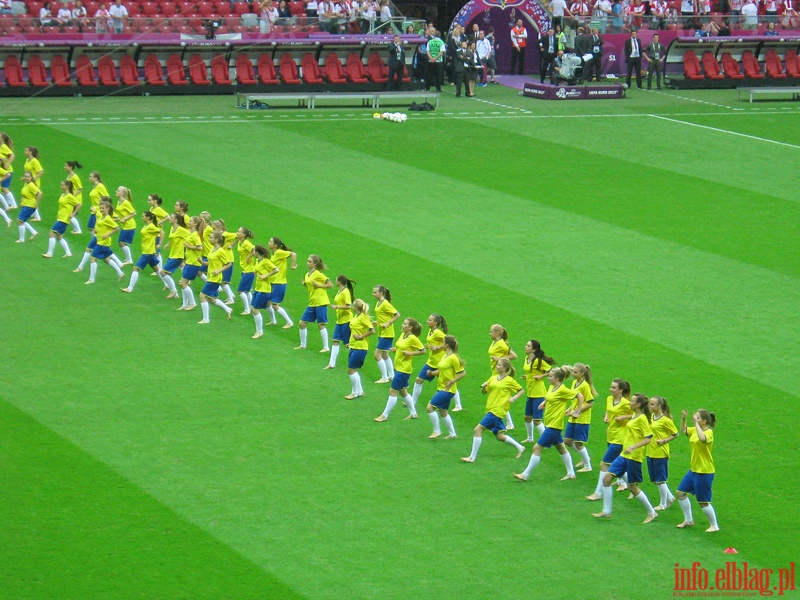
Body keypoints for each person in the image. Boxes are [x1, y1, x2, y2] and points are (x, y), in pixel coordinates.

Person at [591, 393, 658, 523]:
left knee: (633, 487)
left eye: (632, 401)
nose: (629, 403)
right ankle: (606, 511)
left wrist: (633, 447)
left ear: (638, 404)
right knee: (606, 479)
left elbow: (648, 438)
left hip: (634, 457)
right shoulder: (635, 415)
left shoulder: (642, 418)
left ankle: (652, 512)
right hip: (624, 455)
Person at [513, 366, 580, 482]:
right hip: (550, 423)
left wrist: (577, 411)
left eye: (550, 377)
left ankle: (525, 474)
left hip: (554, 425)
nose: (548, 378)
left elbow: (580, 396)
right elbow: (550, 396)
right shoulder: (552, 387)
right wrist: (544, 402)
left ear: (558, 378)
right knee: (560, 447)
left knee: (537, 448)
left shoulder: (563, 390)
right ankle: (571, 473)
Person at [461, 358, 526, 462]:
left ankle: (472, 457)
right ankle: (520, 447)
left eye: (499, 365)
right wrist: (484, 386)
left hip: (497, 411)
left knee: (477, 430)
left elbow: (521, 390)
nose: (496, 366)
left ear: (504, 368)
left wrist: (513, 398)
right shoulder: (493, 378)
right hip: (490, 408)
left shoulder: (509, 380)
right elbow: (484, 392)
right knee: (499, 436)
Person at [586, 379, 634, 501]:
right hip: (611, 434)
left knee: (604, 464)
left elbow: (637, 415)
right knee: (616, 464)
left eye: (613, 387)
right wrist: (607, 416)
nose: (610, 389)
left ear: (620, 390)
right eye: (611, 387)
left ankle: (598, 492)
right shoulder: (609, 399)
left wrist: (624, 417)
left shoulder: (625, 402)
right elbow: (609, 410)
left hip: (620, 438)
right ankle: (632, 486)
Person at [675, 408, 719, 532]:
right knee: (680, 493)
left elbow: (702, 439)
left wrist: (695, 424)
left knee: (703, 502)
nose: (695, 419)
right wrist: (684, 418)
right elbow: (684, 430)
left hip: (704, 471)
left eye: (698, 418)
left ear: (704, 422)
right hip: (693, 470)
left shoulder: (709, 432)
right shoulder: (695, 429)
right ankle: (688, 520)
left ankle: (714, 525)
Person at [374, 318, 425, 422]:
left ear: (410, 327)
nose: (402, 325)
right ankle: (413, 413)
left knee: (393, 391)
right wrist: (396, 350)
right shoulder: (403, 335)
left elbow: (423, 351)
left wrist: (411, 354)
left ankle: (385, 415)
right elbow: (402, 347)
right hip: (398, 367)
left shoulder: (413, 338)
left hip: (404, 369)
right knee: (403, 391)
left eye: (404, 324)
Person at [425, 335, 464, 440]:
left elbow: (462, 373)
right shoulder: (445, 355)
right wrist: (432, 373)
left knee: (430, 407)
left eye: (443, 342)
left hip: (447, 389)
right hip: (441, 387)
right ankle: (452, 434)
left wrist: (452, 381)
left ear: (446, 345)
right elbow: (442, 369)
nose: (441, 344)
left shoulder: (453, 358)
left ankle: (437, 431)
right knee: (443, 411)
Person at [646, 396, 679, 511]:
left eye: (652, 404)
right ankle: (669, 497)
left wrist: (664, 441)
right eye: (650, 403)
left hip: (660, 453)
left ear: (659, 406)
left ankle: (663, 503)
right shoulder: (651, 417)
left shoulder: (666, 420)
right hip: (650, 451)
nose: (650, 406)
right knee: (656, 479)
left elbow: (675, 434)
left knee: (660, 480)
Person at [410, 314, 448, 411]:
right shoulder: (430, 331)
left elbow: (450, 341)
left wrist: (438, 347)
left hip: (440, 362)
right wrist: (430, 346)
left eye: (430, 320)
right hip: (431, 362)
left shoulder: (437, 332)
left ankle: (458, 405)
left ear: (435, 323)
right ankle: (413, 402)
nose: (427, 321)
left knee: (447, 383)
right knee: (419, 380)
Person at [564, 362, 597, 473]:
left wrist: (577, 411)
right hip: (573, 416)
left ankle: (588, 465)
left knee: (578, 442)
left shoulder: (585, 386)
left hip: (582, 418)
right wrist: (569, 409)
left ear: (582, 373)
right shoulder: (574, 383)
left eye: (575, 372)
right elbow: (575, 399)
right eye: (573, 371)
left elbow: (589, 402)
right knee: (567, 440)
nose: (573, 374)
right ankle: (585, 458)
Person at [296, 254, 333, 352]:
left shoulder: (317, 273)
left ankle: (326, 347)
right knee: (302, 323)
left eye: (309, 261)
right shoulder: (307, 274)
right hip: (312, 302)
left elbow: (330, 285)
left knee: (320, 324)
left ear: (315, 264)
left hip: (321, 301)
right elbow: (311, 285)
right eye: (307, 261)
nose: (307, 263)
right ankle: (303, 345)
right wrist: (305, 284)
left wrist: (319, 285)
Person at [86, 200, 125, 284]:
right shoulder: (101, 216)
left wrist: (107, 234)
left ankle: (91, 279)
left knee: (93, 259)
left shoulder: (108, 218)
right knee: (106, 259)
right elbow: (102, 227)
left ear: (107, 209)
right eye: (100, 208)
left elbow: (116, 227)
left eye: (103, 208)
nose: (101, 209)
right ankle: (120, 273)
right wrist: (97, 230)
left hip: (102, 243)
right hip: (100, 241)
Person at [120, 210, 161, 292]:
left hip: (147, 252)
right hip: (148, 251)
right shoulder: (146, 226)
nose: (141, 217)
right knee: (157, 270)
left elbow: (161, 232)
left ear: (148, 217)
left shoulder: (151, 226)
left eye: (143, 216)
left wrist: (159, 243)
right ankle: (171, 287)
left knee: (135, 268)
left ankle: (129, 288)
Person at [198, 231, 233, 324]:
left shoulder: (221, 251)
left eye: (211, 238)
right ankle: (227, 309)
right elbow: (211, 262)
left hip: (215, 278)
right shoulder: (212, 249)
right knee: (211, 299)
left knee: (202, 296)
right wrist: (202, 262)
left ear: (216, 240)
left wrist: (218, 270)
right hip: (210, 276)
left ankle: (206, 319)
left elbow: (228, 263)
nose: (209, 239)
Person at [521, 339, 553, 443]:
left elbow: (551, 371)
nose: (525, 347)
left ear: (533, 349)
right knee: (527, 417)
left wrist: (541, 376)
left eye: (528, 346)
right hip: (530, 392)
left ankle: (546, 440)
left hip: (539, 393)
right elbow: (531, 372)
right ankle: (530, 438)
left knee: (537, 420)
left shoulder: (538, 360)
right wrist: (527, 376)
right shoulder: (527, 359)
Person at [345, 299, 375, 400]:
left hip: (360, 347)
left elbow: (372, 330)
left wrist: (361, 336)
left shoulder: (363, 317)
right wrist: (350, 342)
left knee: (351, 370)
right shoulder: (356, 316)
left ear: (356, 307)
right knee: (353, 370)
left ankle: (354, 392)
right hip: (354, 346)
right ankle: (359, 391)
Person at [487, 324, 517, 424]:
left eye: (491, 332)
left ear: (497, 333)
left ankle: (507, 423)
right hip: (495, 371)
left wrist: (499, 359)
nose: (489, 333)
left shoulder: (501, 344)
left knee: (499, 398)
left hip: (500, 373)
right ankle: (508, 423)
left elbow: (514, 355)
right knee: (498, 398)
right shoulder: (494, 342)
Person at [42, 180, 79, 258]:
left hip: (64, 219)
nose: (60, 186)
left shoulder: (69, 196)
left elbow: (78, 204)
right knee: (59, 237)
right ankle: (68, 253)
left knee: (51, 234)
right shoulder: (63, 195)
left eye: (62, 185)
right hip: (60, 217)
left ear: (67, 186)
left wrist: (73, 213)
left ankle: (49, 253)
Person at [325, 275, 355, 368]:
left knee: (348, 344)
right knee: (335, 340)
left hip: (346, 320)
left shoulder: (345, 292)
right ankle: (332, 363)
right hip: (340, 320)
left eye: (336, 280)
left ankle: (354, 361)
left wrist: (336, 307)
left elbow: (348, 305)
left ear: (339, 281)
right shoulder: (340, 291)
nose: (335, 281)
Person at [372, 285, 400, 383]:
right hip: (382, 332)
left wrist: (388, 323)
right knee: (384, 355)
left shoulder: (385, 303)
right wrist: (377, 322)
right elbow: (383, 316)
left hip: (387, 333)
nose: (373, 294)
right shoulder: (378, 303)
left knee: (377, 355)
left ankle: (384, 377)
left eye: (375, 292)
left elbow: (397, 314)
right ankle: (392, 375)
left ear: (381, 293)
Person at [250, 245, 279, 338]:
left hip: (264, 289)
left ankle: (259, 331)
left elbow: (276, 269)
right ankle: (270, 322)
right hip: (258, 288)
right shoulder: (258, 260)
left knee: (255, 310)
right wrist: (256, 273)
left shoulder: (266, 261)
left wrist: (266, 275)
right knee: (253, 308)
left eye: (254, 251)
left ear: (257, 252)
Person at [267, 236, 296, 328]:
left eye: (270, 242)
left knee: (275, 305)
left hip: (279, 283)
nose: (268, 242)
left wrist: (292, 266)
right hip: (273, 282)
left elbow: (293, 254)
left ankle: (289, 322)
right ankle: (273, 321)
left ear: (275, 245)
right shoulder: (274, 254)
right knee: (267, 302)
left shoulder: (279, 252)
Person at [159, 213, 188, 300]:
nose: (169, 219)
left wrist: (187, 246)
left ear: (176, 220)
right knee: (167, 273)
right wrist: (168, 244)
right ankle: (175, 294)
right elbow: (172, 237)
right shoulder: (172, 228)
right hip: (172, 254)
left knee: (163, 272)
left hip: (178, 255)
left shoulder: (181, 230)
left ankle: (173, 290)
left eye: (171, 218)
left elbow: (191, 237)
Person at [177, 216, 203, 311]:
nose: (189, 222)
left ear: (195, 224)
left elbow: (200, 247)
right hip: (189, 261)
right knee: (184, 283)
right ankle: (185, 304)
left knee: (183, 283)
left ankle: (192, 303)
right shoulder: (191, 233)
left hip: (193, 263)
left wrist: (189, 246)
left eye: (191, 221)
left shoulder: (195, 235)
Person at [211, 220, 237, 305]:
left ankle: (230, 298)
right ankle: (231, 296)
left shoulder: (225, 234)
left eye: (214, 228)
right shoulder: (219, 235)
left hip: (228, 259)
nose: (212, 230)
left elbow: (238, 236)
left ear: (219, 228)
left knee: (223, 281)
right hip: (222, 259)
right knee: (222, 280)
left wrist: (232, 244)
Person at [113, 186, 136, 265]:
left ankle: (129, 260)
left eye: (118, 190)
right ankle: (128, 259)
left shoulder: (126, 203)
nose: (116, 191)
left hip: (129, 226)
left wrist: (125, 219)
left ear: (122, 193)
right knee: (120, 243)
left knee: (122, 243)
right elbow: (120, 215)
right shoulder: (119, 201)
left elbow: (133, 213)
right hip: (124, 226)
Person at [15, 171, 41, 243]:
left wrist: (36, 203)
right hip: (26, 204)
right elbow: (26, 193)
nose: (26, 178)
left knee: (20, 221)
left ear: (31, 177)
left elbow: (39, 193)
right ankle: (33, 232)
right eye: (25, 176)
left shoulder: (31, 185)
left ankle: (21, 239)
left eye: (28, 177)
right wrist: (22, 199)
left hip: (30, 205)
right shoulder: (26, 184)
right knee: (22, 220)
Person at [236, 227, 256, 315]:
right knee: (247, 291)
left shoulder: (246, 243)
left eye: (239, 232)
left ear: (244, 235)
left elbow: (254, 250)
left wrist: (248, 257)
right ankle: (252, 307)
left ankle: (247, 309)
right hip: (245, 269)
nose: (237, 233)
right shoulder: (240, 242)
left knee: (240, 291)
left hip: (249, 270)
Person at [23, 146, 44, 221]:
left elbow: (41, 171)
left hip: (34, 183)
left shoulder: (34, 161)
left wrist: (33, 178)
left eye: (26, 150)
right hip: (28, 181)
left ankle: (37, 216)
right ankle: (34, 214)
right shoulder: (27, 160)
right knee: (28, 197)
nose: (24, 152)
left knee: (31, 198)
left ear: (30, 152)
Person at [64, 160, 83, 234]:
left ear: (70, 167)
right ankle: (76, 229)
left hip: (76, 199)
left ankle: (78, 230)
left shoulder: (75, 177)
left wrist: (72, 196)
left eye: (66, 166)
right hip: (71, 198)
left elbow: (80, 188)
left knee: (70, 215)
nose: (64, 167)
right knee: (69, 214)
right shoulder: (69, 176)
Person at [0, 133, 16, 210]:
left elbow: (12, 155)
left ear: (2, 139)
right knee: (4, 187)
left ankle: (13, 204)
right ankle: (8, 203)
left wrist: (7, 164)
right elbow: (5, 157)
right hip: (4, 170)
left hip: (7, 170)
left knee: (4, 188)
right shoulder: (2, 146)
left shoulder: (3, 146)